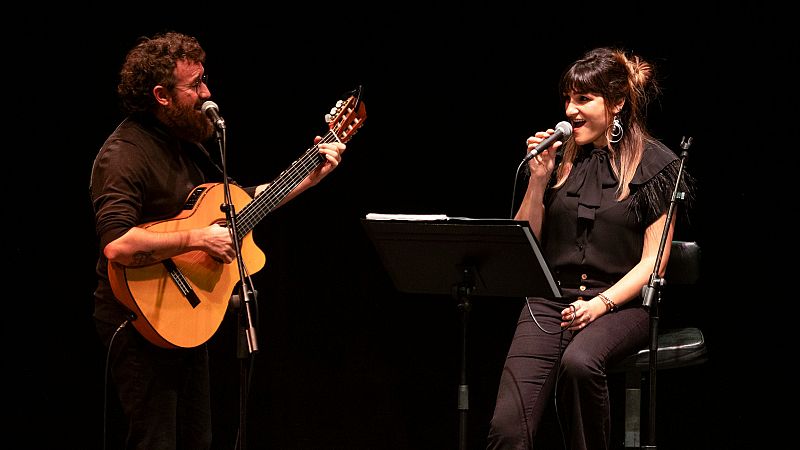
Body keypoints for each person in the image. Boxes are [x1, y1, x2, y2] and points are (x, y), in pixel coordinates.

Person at [89, 31, 346, 450]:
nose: (208, 94)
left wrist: (308, 176)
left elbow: (234, 210)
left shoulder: (186, 145)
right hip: (138, 319)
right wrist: (199, 238)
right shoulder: (123, 154)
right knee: (155, 441)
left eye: (205, 80)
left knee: (199, 440)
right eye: (195, 86)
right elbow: (117, 244)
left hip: (185, 316)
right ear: (162, 95)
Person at [486, 47, 694, 450]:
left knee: (579, 365)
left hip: (620, 303)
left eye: (584, 99)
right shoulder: (562, 158)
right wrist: (537, 180)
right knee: (508, 427)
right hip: (549, 302)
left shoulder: (656, 165)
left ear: (616, 103)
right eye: (568, 98)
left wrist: (600, 306)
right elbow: (522, 242)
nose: (570, 110)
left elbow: (654, 261)